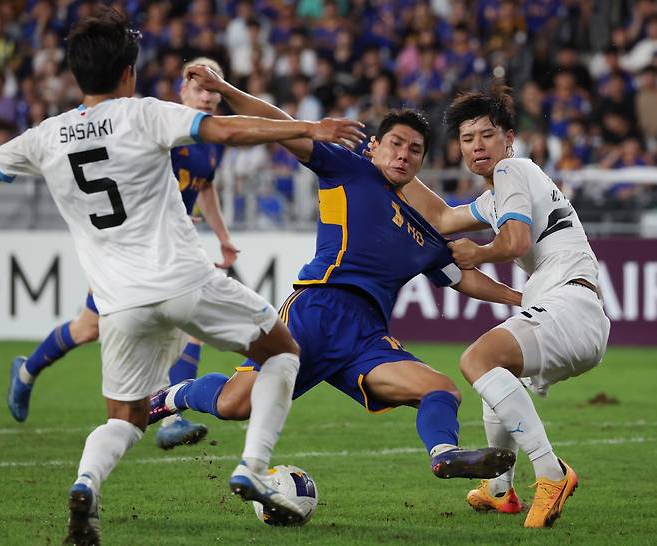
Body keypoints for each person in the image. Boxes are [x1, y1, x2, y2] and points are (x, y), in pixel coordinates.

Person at [0, 7, 366, 544]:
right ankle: (252, 465)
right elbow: (225, 130)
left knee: (124, 419)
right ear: (129, 70)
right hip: (183, 280)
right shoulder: (146, 114)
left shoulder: (43, 138)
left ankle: (86, 485)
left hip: (119, 304)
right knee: (283, 351)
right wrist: (309, 127)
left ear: (76, 72)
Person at [149, 67, 521, 505]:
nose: (403, 155)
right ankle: (172, 396)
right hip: (317, 312)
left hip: (367, 337)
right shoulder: (347, 167)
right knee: (235, 405)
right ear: (376, 146)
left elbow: (464, 278)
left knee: (440, 389)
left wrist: (522, 298)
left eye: (415, 150)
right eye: (396, 144)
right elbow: (278, 125)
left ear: (422, 163)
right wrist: (226, 91)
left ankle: (445, 453)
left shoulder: (428, 231)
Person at [400, 85, 610, 528]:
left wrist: (476, 253)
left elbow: (512, 242)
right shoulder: (498, 194)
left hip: (571, 305)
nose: (477, 146)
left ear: (509, 139)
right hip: (571, 306)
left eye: (487, 135)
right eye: (467, 138)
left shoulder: (513, 170)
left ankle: (551, 473)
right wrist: (387, 163)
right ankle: (500, 489)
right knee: (497, 375)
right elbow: (441, 218)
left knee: (478, 359)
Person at [6, 56, 239, 452]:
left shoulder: (210, 143)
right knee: (88, 328)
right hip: (125, 251)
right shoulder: (160, 127)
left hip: (164, 251)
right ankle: (26, 371)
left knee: (186, 324)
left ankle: (172, 416)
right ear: (180, 90)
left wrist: (223, 236)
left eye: (215, 88)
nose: (208, 96)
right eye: (200, 86)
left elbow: (205, 186)